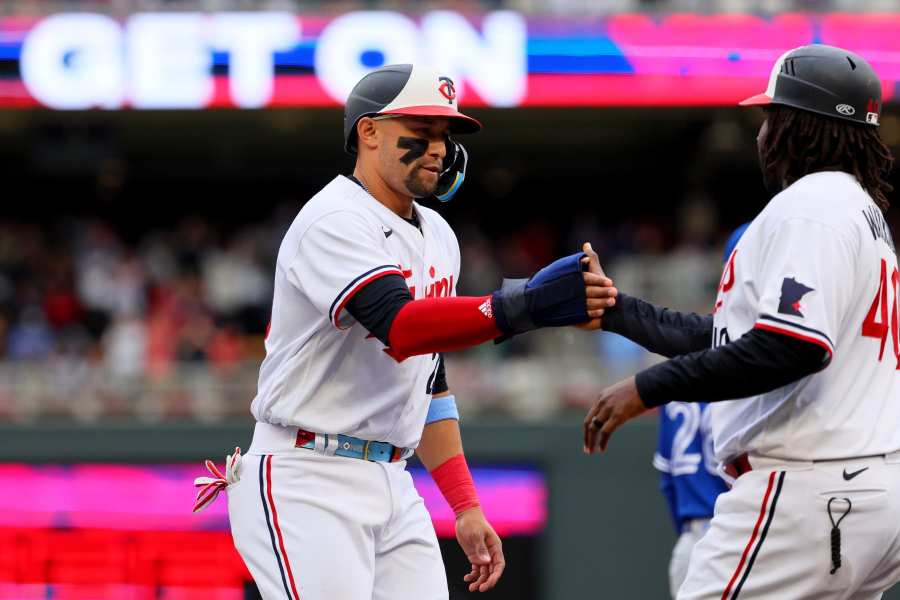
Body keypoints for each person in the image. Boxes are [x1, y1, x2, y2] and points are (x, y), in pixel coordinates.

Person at [192, 63, 615, 600]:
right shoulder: (334, 219)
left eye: (444, 134)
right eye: (422, 129)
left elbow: (428, 381)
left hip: (393, 477)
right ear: (368, 131)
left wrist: (465, 504)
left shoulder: (438, 233)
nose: (439, 147)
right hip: (306, 475)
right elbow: (401, 327)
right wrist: (521, 307)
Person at [582, 45, 899, 599]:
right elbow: (731, 337)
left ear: (798, 127)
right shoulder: (858, 210)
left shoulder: (812, 205)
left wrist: (646, 387)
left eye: (770, 118)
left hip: (808, 487)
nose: (762, 134)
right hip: (865, 488)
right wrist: (618, 311)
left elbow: (789, 347)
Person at [655, 225, 746, 597]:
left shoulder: (681, 365)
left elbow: (668, 481)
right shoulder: (765, 356)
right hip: (742, 535)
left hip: (693, 542)